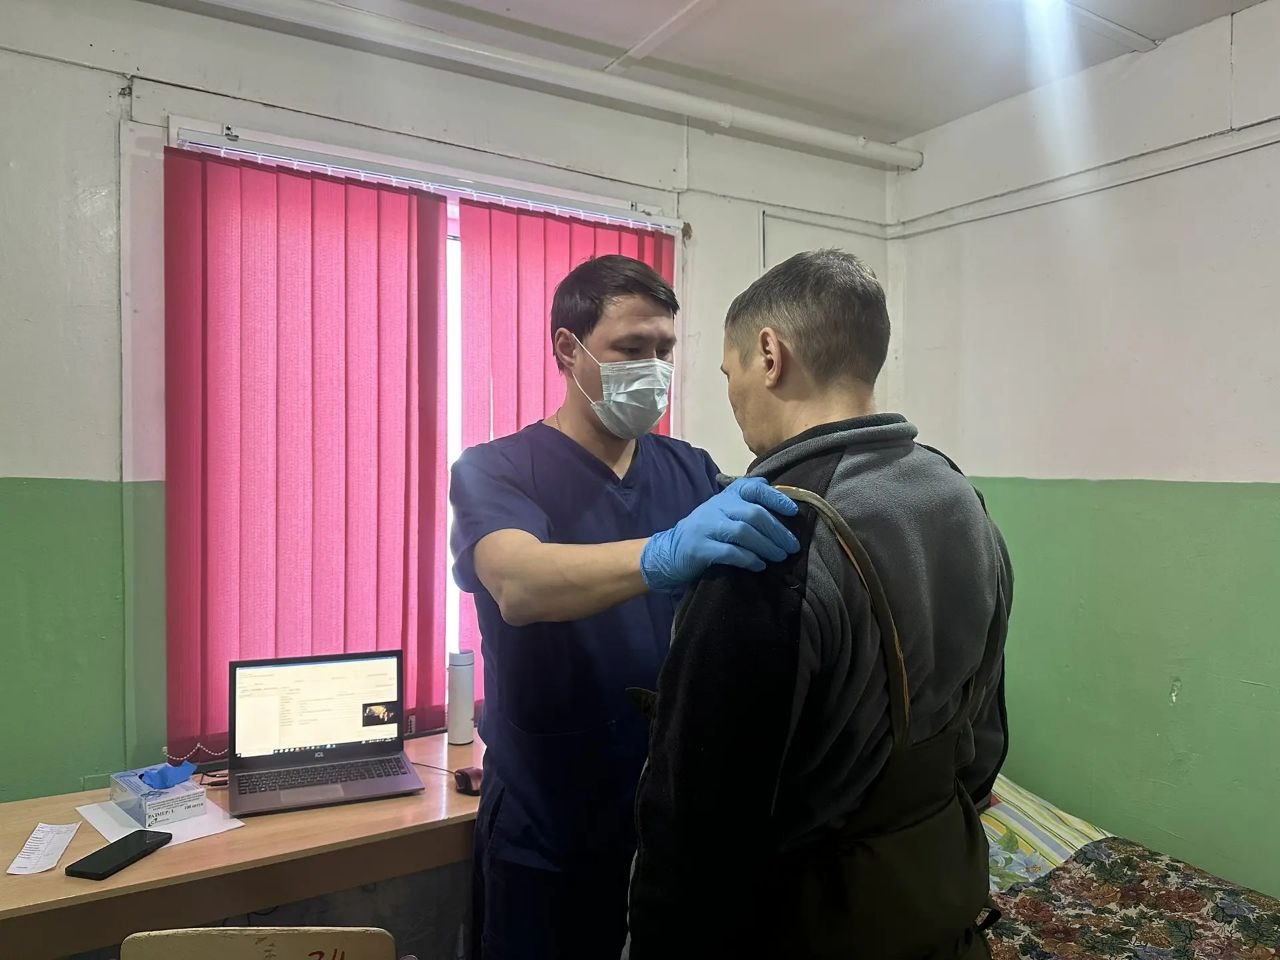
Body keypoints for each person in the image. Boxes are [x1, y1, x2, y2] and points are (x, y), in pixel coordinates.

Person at [626, 250, 1014, 960]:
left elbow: (696, 829)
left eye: (730, 374)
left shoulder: (769, 533)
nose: (733, 397)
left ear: (770, 355)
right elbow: (983, 738)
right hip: (936, 895)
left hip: (810, 921)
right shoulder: (959, 496)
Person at [449, 255, 801, 960]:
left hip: (669, 820)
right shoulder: (497, 469)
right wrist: (661, 554)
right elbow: (518, 583)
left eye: (664, 350)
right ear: (566, 348)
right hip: (549, 827)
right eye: (631, 348)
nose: (653, 369)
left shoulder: (689, 470)